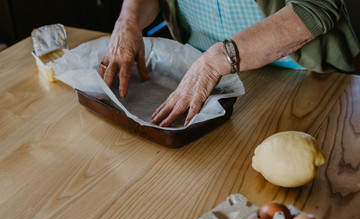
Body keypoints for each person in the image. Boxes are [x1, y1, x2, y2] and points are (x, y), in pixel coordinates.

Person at [97, 0, 360, 127]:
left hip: (301, 74)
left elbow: (317, 6)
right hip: (199, 66)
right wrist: (128, 19)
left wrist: (220, 58)